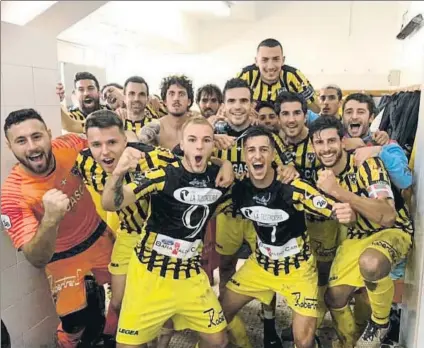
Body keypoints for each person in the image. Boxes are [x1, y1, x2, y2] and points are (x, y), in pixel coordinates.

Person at [102, 116, 233, 348]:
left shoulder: (219, 178)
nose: (199, 146)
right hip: (150, 276)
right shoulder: (162, 175)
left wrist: (226, 164)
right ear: (182, 145)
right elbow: (111, 203)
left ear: (214, 145)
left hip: (190, 276)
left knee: (218, 341)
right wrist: (118, 173)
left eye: (206, 140)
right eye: (192, 140)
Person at [0, 109, 118, 347]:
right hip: (62, 258)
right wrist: (50, 220)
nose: (32, 147)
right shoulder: (12, 194)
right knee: (75, 321)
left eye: (37, 136)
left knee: (122, 298)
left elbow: (105, 142)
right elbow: (36, 258)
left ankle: (110, 337)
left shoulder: (69, 145)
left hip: (99, 237)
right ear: (9, 145)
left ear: (49, 134)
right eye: (21, 141)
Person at [76, 110, 180, 344]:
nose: (105, 151)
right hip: (129, 232)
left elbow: (192, 163)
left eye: (112, 142)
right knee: (118, 301)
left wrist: (222, 162)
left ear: (125, 139)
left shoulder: (155, 158)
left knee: (163, 301)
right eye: (96, 144)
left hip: (160, 237)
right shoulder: (84, 161)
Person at [310, 116, 414, 348]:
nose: (326, 148)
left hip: (393, 231)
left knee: (371, 263)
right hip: (357, 236)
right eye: (319, 143)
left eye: (331, 141)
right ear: (312, 146)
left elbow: (387, 216)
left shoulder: (367, 165)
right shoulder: (321, 176)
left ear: (342, 141)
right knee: (333, 297)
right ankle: (351, 342)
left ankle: (381, 324)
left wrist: (339, 192)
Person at [237, 38, 320, 113]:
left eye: (276, 59)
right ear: (256, 61)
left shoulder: (293, 76)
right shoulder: (246, 76)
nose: (270, 66)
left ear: (283, 60)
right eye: (264, 60)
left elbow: (316, 109)